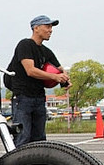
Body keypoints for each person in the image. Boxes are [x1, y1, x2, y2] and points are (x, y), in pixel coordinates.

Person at [5, 15, 70, 147]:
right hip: (23, 97)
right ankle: (18, 160)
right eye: (47, 26)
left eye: (51, 27)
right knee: (23, 137)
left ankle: (37, 160)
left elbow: (59, 69)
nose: (50, 30)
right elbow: (30, 70)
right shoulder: (25, 45)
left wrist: (65, 79)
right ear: (36, 28)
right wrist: (54, 77)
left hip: (39, 98)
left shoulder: (46, 51)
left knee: (39, 139)